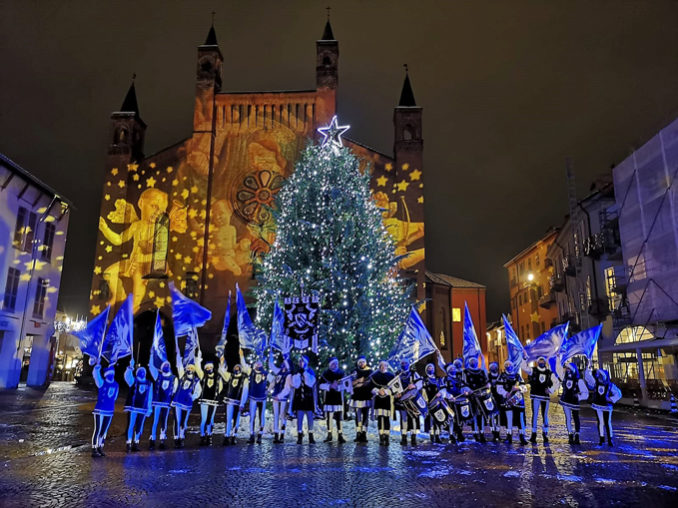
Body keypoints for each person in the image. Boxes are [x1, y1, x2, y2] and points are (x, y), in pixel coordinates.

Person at [171, 352, 202, 448]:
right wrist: (178, 356)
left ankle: (182, 436)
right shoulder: (182, 375)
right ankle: (176, 438)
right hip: (178, 401)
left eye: (192, 368)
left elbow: (198, 391)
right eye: (188, 368)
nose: (190, 369)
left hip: (187, 403)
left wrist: (192, 397)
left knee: (184, 421)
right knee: (177, 419)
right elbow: (179, 366)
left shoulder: (196, 380)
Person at [585, 366, 621, 446]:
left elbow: (618, 394)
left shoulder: (610, 385)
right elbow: (588, 378)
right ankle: (601, 439)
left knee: (607, 422)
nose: (599, 376)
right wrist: (588, 367)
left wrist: (611, 399)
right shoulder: (596, 383)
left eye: (600, 375)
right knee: (601, 422)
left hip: (607, 406)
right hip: (598, 405)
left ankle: (609, 439)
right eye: (598, 375)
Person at [497, 360, 528, 445]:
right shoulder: (502, 376)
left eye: (509, 364)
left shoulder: (518, 376)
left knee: (520, 419)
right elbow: (498, 388)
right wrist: (505, 393)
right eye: (506, 364)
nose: (508, 366)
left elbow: (525, 388)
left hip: (518, 400)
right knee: (509, 418)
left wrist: (518, 388)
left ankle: (522, 437)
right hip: (508, 400)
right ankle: (509, 436)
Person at [123, 363, 153, 452]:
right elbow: (127, 377)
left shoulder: (149, 383)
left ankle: (136, 442)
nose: (142, 373)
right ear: (137, 373)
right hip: (133, 407)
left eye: (143, 371)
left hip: (143, 409)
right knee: (131, 425)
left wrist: (149, 408)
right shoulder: (134, 381)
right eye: (140, 371)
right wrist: (129, 368)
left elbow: (150, 396)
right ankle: (128, 443)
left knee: (140, 426)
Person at [557, 361, 589, 445]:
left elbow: (585, 393)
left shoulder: (578, 380)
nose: (567, 370)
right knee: (568, 418)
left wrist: (579, 397)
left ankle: (577, 435)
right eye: (566, 368)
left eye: (569, 368)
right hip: (565, 401)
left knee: (576, 418)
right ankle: (570, 434)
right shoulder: (564, 378)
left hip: (574, 402)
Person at [91, 363, 119, 457]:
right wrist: (97, 368)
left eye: (112, 374)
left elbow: (114, 397)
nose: (111, 375)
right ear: (106, 374)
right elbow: (96, 376)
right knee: (98, 429)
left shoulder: (116, 385)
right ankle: (94, 448)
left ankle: (100, 446)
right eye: (109, 374)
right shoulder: (102, 382)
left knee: (104, 430)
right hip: (100, 410)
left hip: (110, 410)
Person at [525, 356, 554, 444]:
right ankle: (533, 434)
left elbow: (556, 382)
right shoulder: (533, 370)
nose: (542, 362)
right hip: (535, 395)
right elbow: (524, 367)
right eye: (540, 360)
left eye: (543, 360)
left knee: (545, 415)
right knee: (535, 415)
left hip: (545, 397)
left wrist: (550, 389)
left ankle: (545, 434)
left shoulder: (549, 372)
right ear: (537, 362)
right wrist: (524, 358)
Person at [394, 359, 423, 446]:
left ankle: (413, 437)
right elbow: (393, 385)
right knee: (404, 418)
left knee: (413, 417)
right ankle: (404, 437)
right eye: (402, 363)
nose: (404, 364)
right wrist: (396, 393)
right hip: (402, 400)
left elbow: (420, 382)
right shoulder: (397, 374)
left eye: (406, 363)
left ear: (409, 364)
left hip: (412, 400)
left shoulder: (414, 373)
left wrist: (414, 385)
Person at [220, 357, 248, 445]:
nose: (236, 369)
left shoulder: (244, 378)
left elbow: (245, 391)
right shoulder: (230, 376)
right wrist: (222, 362)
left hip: (238, 402)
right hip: (229, 401)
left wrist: (242, 403)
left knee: (236, 419)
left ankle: (234, 436)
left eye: (238, 368)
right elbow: (223, 372)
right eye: (235, 368)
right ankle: (226, 436)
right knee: (228, 419)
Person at [148, 360, 175, 450]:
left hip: (166, 402)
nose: (166, 367)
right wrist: (151, 356)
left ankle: (162, 440)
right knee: (155, 421)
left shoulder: (173, 378)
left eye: (168, 365)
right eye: (165, 365)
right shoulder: (158, 376)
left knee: (164, 421)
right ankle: (152, 440)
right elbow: (151, 368)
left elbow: (174, 390)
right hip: (157, 402)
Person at [319, 357, 347, 443]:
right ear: (330, 365)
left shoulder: (341, 373)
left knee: (338, 417)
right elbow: (320, 385)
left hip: (337, 398)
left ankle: (340, 434)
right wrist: (329, 386)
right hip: (328, 398)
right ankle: (329, 434)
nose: (334, 365)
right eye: (333, 364)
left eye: (336, 364)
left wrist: (337, 387)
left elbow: (345, 385)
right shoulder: (325, 374)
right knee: (329, 417)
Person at [291, 355, 317, 444]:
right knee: (300, 418)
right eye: (300, 362)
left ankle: (311, 435)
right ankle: (299, 435)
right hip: (299, 398)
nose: (301, 363)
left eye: (303, 362)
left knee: (310, 418)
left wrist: (305, 373)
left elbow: (310, 383)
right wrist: (299, 374)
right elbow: (295, 384)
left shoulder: (310, 371)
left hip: (308, 398)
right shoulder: (297, 372)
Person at [464, 357, 491, 443]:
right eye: (472, 361)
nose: (474, 362)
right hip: (472, 396)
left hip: (481, 396)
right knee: (474, 415)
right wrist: (468, 389)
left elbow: (486, 381)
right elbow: (464, 383)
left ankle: (482, 433)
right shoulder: (466, 372)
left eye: (475, 361)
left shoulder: (481, 371)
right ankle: (475, 433)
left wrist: (487, 385)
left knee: (482, 415)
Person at [370, 361, 395, 446]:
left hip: (387, 400)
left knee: (386, 418)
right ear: (379, 366)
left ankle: (387, 436)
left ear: (387, 366)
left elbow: (394, 388)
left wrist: (386, 391)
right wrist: (378, 391)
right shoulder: (375, 376)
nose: (383, 367)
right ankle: (381, 436)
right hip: (378, 400)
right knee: (380, 418)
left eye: (384, 365)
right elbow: (371, 387)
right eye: (381, 365)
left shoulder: (391, 376)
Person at [268, 356, 293, 443]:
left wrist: (280, 395)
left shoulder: (288, 375)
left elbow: (287, 388)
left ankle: (282, 434)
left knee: (282, 416)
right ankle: (276, 434)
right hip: (275, 397)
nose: (283, 366)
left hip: (282, 398)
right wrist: (271, 355)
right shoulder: (279, 373)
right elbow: (271, 366)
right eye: (282, 364)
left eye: (284, 364)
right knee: (275, 415)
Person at [198, 361, 222, 446]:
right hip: (204, 400)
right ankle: (202, 436)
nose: (209, 369)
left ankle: (209, 436)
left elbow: (220, 388)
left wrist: (216, 395)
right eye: (207, 368)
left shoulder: (218, 377)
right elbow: (198, 368)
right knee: (204, 419)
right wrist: (198, 359)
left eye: (210, 367)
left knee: (210, 419)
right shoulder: (203, 376)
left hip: (213, 401)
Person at [244, 360, 268, 444]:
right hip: (253, 397)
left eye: (260, 363)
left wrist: (268, 389)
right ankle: (251, 434)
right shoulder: (252, 372)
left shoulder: (265, 373)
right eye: (257, 363)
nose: (258, 364)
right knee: (252, 416)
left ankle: (260, 435)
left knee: (261, 417)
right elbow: (244, 365)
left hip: (262, 398)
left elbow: (273, 380)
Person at [350, 356, 373, 443]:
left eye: (363, 362)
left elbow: (369, 383)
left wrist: (359, 383)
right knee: (358, 415)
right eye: (360, 362)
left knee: (365, 415)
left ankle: (364, 433)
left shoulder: (370, 371)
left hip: (366, 396)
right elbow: (351, 383)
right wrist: (359, 381)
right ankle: (358, 432)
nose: (362, 363)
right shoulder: (354, 371)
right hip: (357, 396)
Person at [422, 363, 446, 444]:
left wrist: (441, 393)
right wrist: (425, 400)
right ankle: (432, 435)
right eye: (428, 368)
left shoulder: (438, 379)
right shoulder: (424, 380)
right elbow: (422, 391)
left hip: (437, 401)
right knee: (431, 419)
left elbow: (443, 389)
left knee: (438, 417)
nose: (430, 369)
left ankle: (437, 435)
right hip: (428, 402)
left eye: (431, 367)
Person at [444, 363, 467, 443]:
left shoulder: (458, 379)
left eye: (453, 369)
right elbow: (444, 390)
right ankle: (451, 434)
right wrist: (449, 396)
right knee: (451, 418)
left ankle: (459, 433)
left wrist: (466, 391)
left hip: (459, 400)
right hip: (450, 401)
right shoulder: (446, 379)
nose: (452, 370)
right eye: (451, 369)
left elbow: (463, 387)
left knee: (460, 418)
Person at [487, 362, 503, 442]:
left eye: (495, 366)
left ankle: (498, 432)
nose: (493, 368)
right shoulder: (487, 377)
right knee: (491, 416)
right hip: (490, 398)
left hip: (499, 398)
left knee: (498, 416)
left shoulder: (501, 376)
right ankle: (494, 433)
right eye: (492, 367)